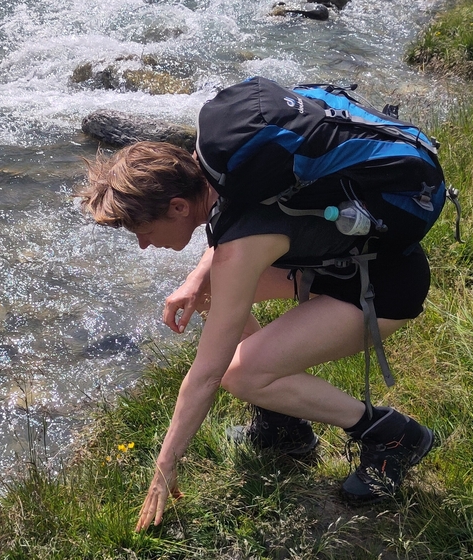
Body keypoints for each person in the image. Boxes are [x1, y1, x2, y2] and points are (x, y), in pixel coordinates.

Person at [77, 139, 437, 532]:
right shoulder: (216, 164)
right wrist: (197, 279)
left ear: (179, 207)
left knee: (238, 373)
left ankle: (392, 436)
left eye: (143, 231)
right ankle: (285, 427)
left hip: (385, 289)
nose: (144, 245)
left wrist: (165, 466)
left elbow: (207, 374)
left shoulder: (240, 245)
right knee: (206, 291)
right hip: (351, 260)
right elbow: (234, 233)